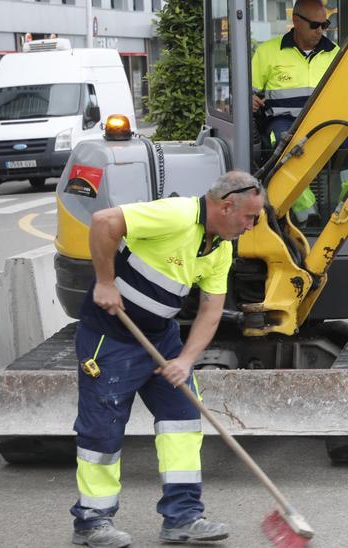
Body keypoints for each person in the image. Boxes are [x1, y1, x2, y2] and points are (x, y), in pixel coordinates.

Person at [70, 171, 265, 548]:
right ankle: (92, 523)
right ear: (226, 206)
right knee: (103, 430)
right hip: (110, 338)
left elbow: (211, 309)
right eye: (248, 217)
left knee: (183, 420)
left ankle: (183, 518)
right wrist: (106, 282)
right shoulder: (176, 215)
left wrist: (187, 360)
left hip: (161, 337)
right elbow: (104, 222)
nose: (251, 226)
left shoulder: (220, 249)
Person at [250, 0, 348, 222]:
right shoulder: (268, 52)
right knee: (282, 143)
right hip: (284, 122)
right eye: (315, 25)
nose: (321, 31)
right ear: (296, 21)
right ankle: (306, 214)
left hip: (326, 122)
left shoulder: (335, 54)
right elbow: (249, 91)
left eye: (324, 25)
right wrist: (250, 99)